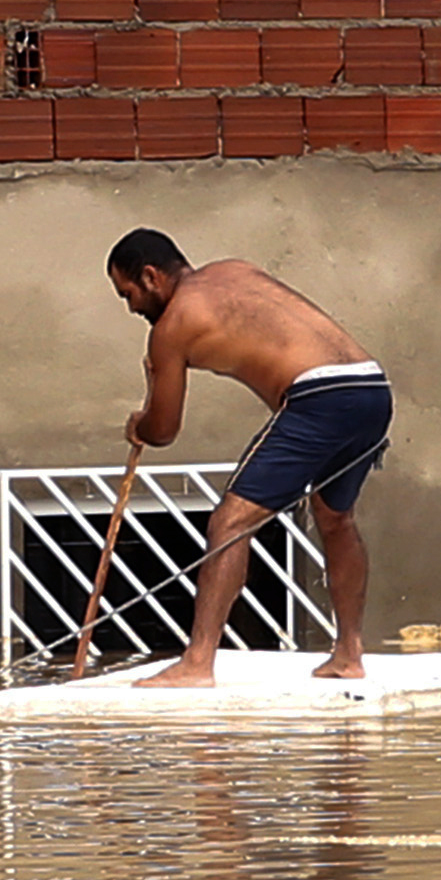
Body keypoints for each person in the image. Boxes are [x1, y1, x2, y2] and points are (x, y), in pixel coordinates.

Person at [88, 229, 389, 686]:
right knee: (335, 519)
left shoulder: (172, 328)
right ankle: (349, 653)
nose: (131, 308)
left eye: (127, 294)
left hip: (320, 397)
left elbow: (164, 431)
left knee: (229, 523)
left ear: (150, 277)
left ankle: (197, 663)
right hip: (371, 387)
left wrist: (141, 417)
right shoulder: (235, 269)